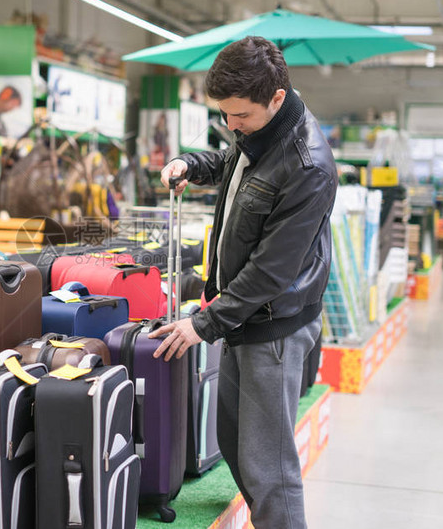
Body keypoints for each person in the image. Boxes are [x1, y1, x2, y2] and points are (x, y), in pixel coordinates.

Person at [150, 36, 337, 529]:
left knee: (270, 470)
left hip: (273, 328)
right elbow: (233, 166)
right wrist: (192, 164)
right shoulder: (258, 132)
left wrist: (203, 323)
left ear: (276, 98)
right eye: (226, 116)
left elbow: (272, 272)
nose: (233, 126)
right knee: (234, 441)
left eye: (241, 117)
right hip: (241, 317)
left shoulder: (308, 166)